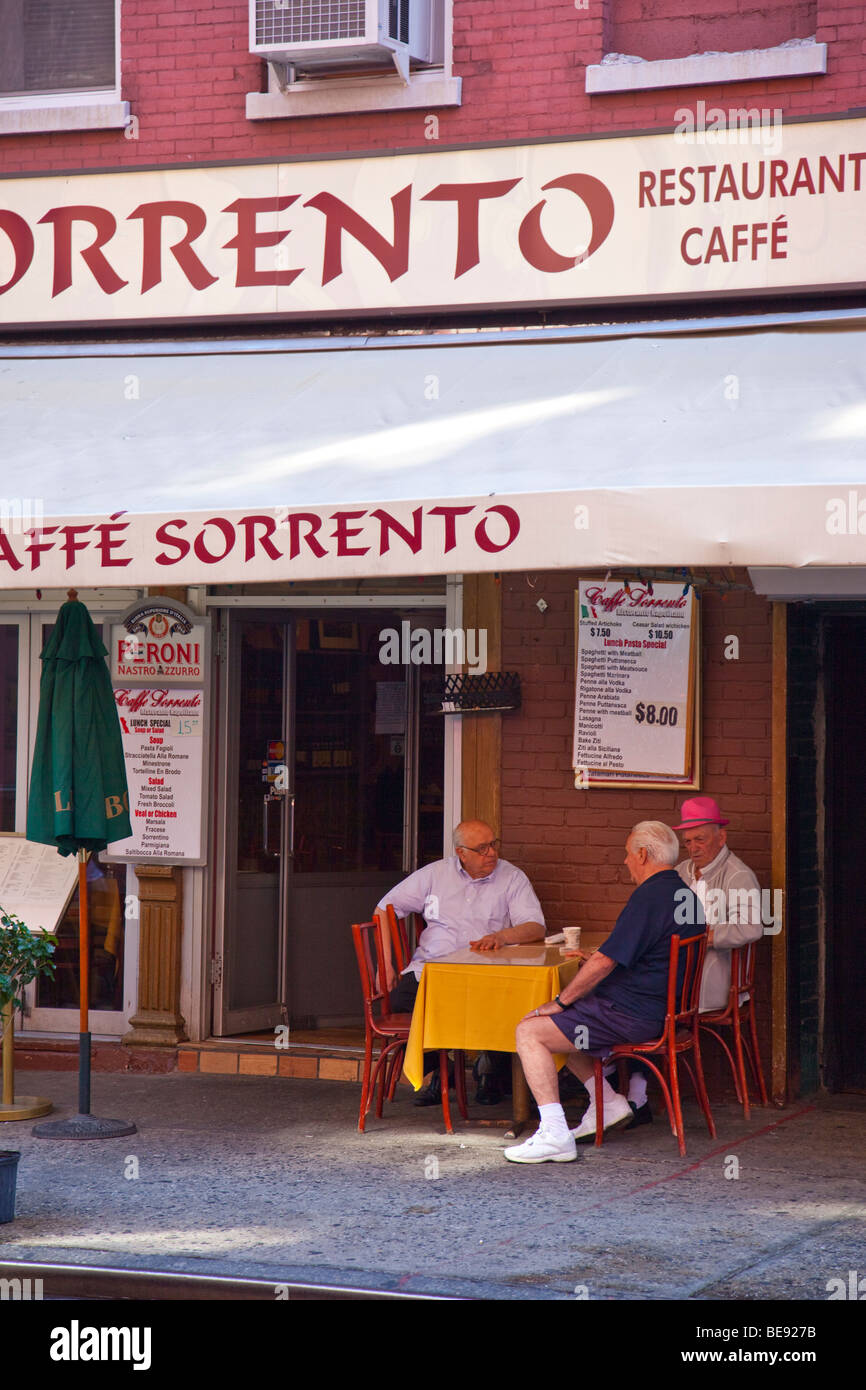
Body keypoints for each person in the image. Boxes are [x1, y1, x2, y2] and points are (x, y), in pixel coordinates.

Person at [503, 821, 702, 1164]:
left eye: (627, 854)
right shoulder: (685, 894)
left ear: (642, 854)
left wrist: (562, 999)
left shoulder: (648, 897)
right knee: (568, 1023)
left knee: (531, 1030)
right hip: (657, 1012)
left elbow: (606, 962)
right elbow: (632, 953)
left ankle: (554, 1134)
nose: (625, 862)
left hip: (631, 1016)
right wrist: (590, 969)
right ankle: (607, 1102)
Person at [376, 820, 545, 1105]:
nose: (491, 853)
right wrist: (386, 965)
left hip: (486, 974)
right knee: (401, 1001)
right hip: (432, 970)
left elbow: (535, 927)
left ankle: (489, 1070)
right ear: (461, 853)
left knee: (506, 1006)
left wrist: (502, 936)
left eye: (494, 844)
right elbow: (383, 910)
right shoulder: (435, 875)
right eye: (482, 848)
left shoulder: (512, 877)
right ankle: (444, 1067)